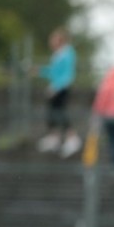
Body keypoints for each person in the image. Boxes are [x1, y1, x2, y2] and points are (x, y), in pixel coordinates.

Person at [35, 27, 81, 158]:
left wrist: (57, 87)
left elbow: (67, 74)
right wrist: (39, 71)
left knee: (60, 112)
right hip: (55, 87)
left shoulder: (67, 53)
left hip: (61, 88)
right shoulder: (57, 54)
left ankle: (72, 138)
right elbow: (53, 72)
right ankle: (53, 137)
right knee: (52, 112)